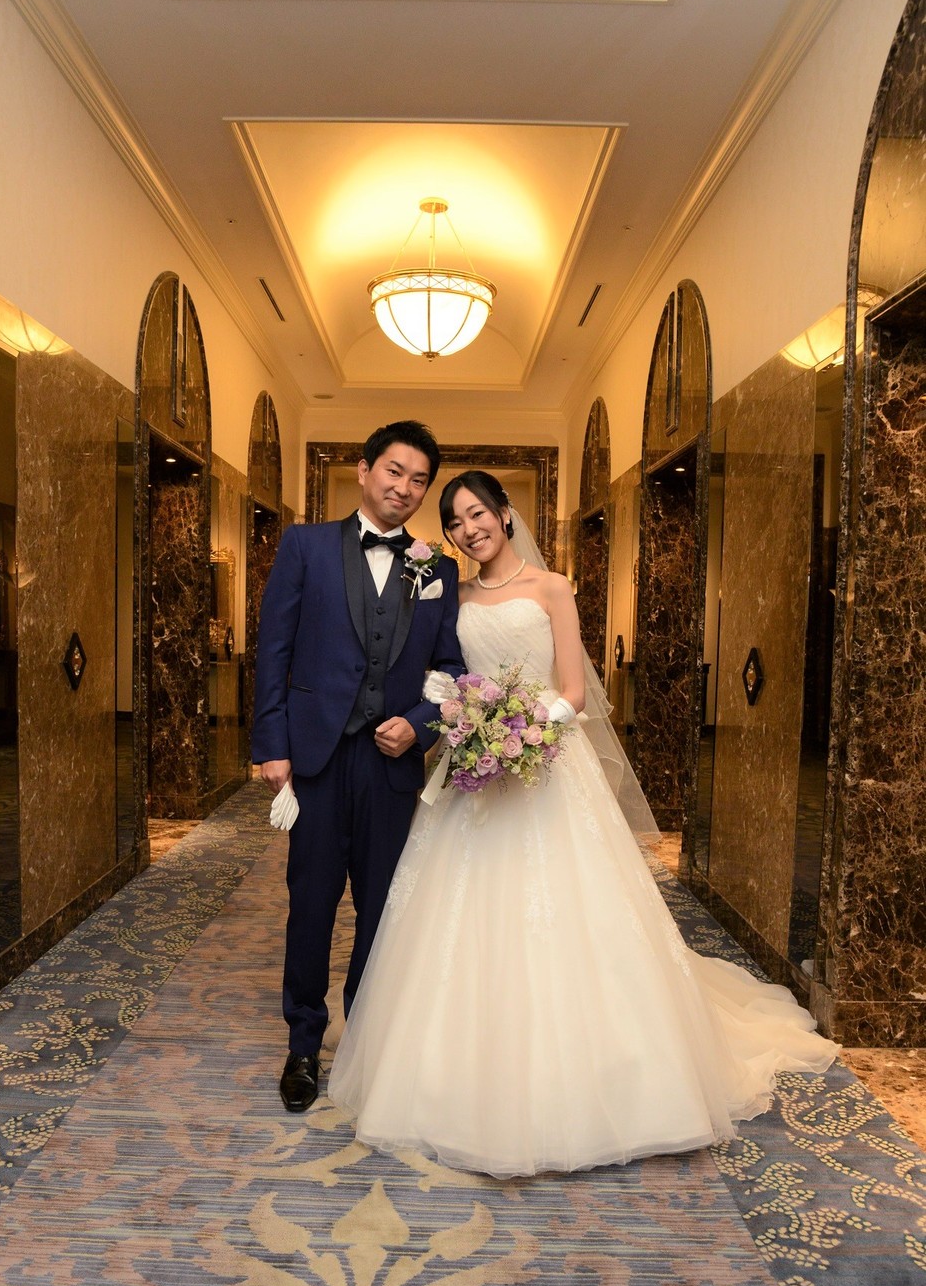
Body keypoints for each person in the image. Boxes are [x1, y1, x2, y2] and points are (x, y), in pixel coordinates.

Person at [328, 470, 837, 1177]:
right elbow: (445, 678)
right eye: (455, 522)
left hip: (547, 766)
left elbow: (573, 691)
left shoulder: (552, 588)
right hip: (477, 771)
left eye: (478, 514)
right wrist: (468, 727)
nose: (469, 530)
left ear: (506, 514)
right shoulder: (453, 597)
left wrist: (522, 734)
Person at [253, 420, 464, 1113]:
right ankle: (303, 1045)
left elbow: (450, 668)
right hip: (316, 758)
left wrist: (422, 724)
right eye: (395, 472)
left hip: (391, 767)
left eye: (419, 481)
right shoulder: (305, 545)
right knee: (310, 905)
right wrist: (272, 745)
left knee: (382, 910)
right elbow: (275, 650)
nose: (405, 488)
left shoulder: (437, 570)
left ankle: (368, 1043)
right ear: (365, 471)